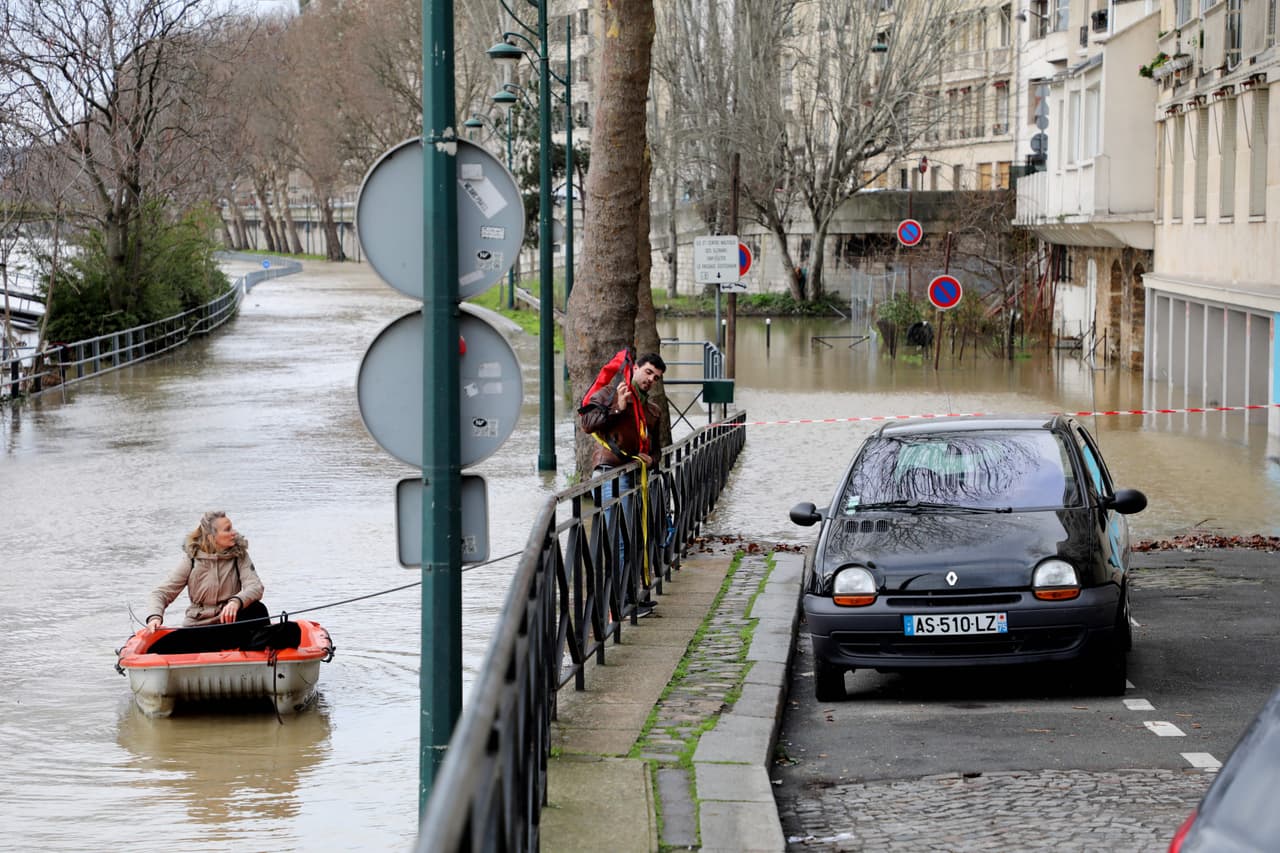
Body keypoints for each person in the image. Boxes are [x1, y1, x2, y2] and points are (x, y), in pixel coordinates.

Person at [578, 351, 667, 617]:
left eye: (656, 377)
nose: (651, 379)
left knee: (632, 538)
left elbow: (656, 448)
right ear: (636, 368)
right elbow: (587, 424)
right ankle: (621, 604)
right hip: (609, 473)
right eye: (648, 372)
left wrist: (651, 460)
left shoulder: (652, 410)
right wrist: (618, 406)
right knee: (618, 539)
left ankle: (629, 598)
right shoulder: (609, 393)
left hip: (634, 475)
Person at [144, 511, 268, 642]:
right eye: (227, 530)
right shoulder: (192, 559)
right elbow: (161, 593)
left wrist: (235, 601)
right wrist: (155, 617)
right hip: (198, 627)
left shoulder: (239, 556)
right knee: (161, 645)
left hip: (228, 624)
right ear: (211, 537)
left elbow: (255, 586)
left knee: (258, 609)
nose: (234, 533)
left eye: (232, 527)